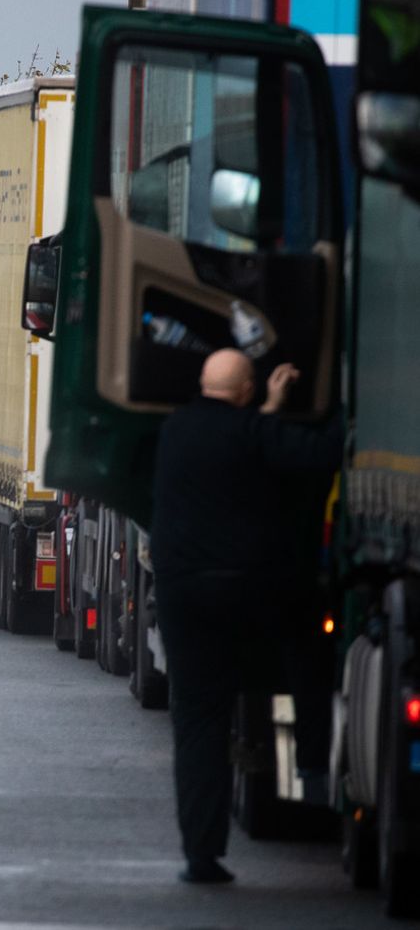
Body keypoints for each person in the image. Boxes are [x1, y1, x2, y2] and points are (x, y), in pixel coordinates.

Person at [150, 349, 342, 885]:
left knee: (198, 723)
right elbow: (318, 453)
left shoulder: (175, 432)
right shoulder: (256, 431)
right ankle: (311, 759)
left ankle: (201, 855)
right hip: (249, 593)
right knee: (308, 634)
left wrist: (263, 413)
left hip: (183, 596)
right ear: (248, 388)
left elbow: (233, 440)